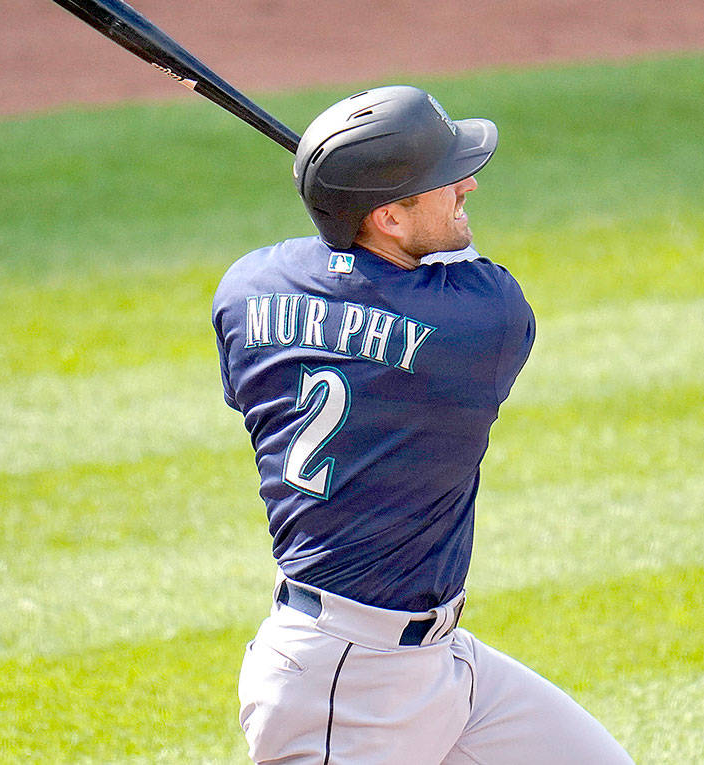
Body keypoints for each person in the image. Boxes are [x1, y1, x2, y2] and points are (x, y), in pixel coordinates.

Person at [212, 85, 633, 764]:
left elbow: (323, 292)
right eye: (442, 180)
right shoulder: (480, 323)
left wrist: (354, 199)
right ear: (389, 218)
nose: (466, 183)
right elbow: (455, 274)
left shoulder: (246, 289)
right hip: (346, 686)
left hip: (436, 662)